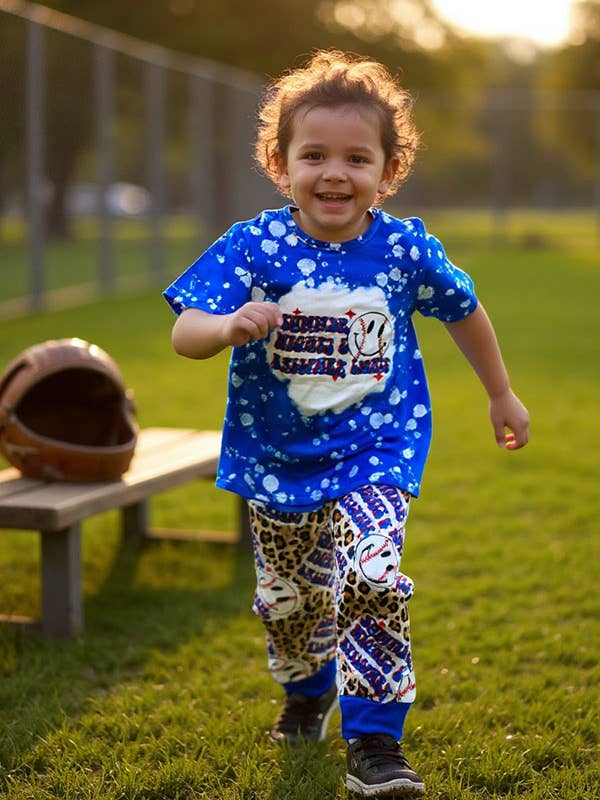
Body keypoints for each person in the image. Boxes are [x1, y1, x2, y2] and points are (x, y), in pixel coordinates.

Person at [163, 50, 529, 799]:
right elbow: (185, 331)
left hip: (377, 448)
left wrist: (501, 392)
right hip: (277, 457)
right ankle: (307, 690)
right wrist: (229, 323)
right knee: (290, 599)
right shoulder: (253, 246)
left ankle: (375, 742)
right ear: (281, 163)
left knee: (371, 575)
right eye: (315, 155)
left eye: (357, 158)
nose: (335, 173)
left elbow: (464, 310)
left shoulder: (402, 248)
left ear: (388, 172)